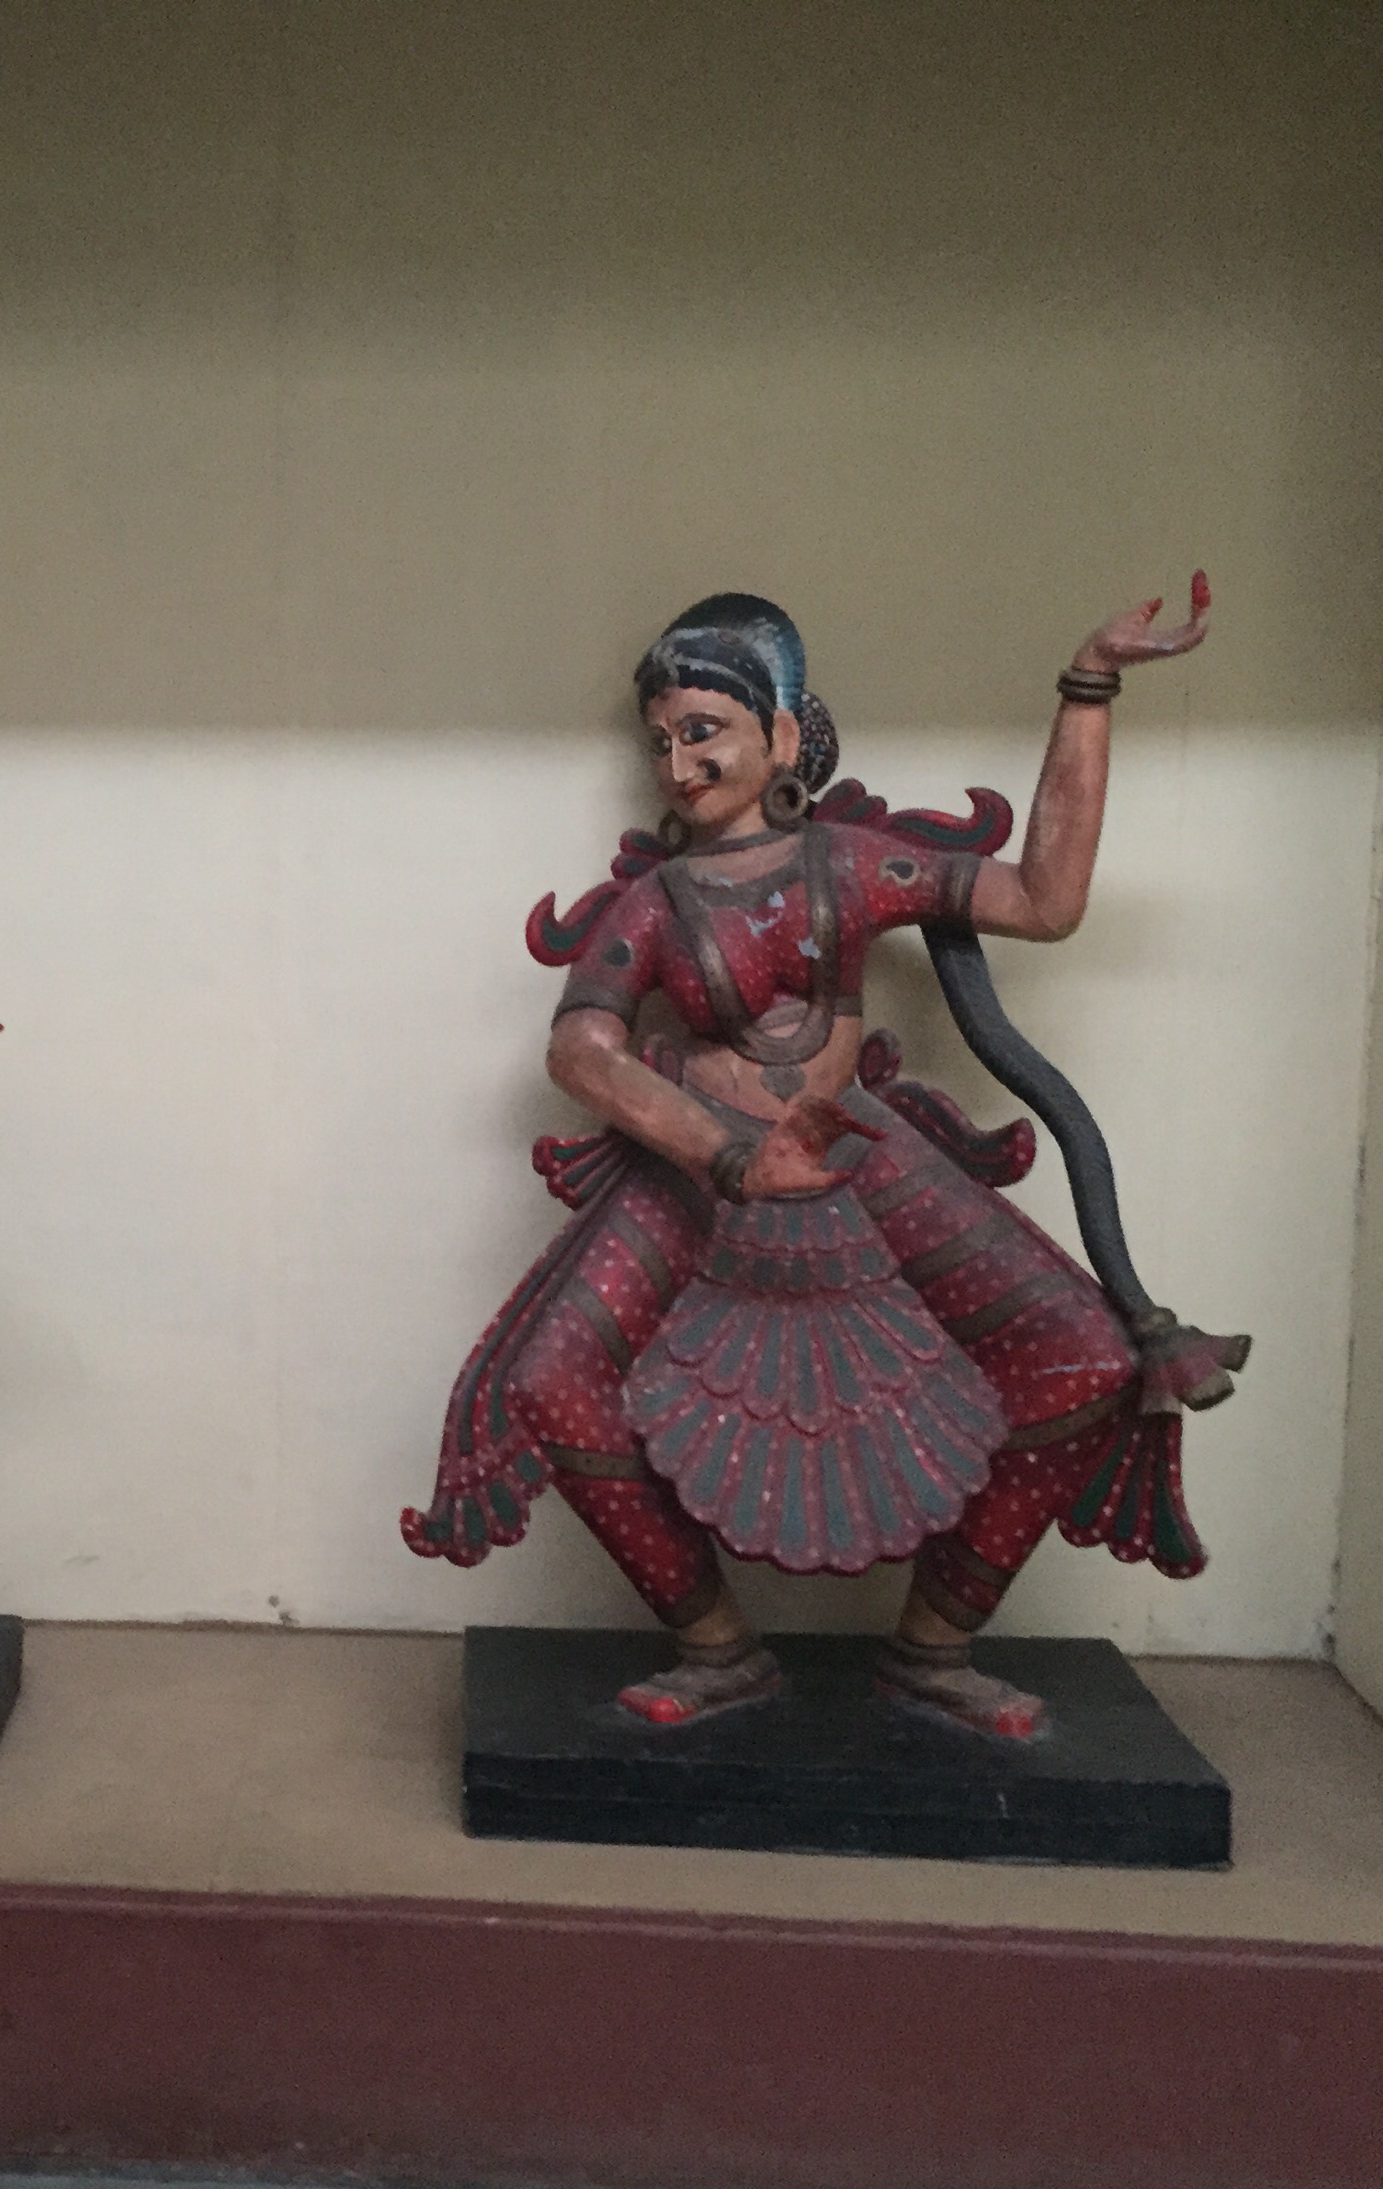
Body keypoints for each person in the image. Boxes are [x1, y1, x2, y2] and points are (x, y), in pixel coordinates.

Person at [408, 588, 1239, 1740]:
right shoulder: (654, 906)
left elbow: (1044, 902)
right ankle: (717, 1646)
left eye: (704, 732)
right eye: (660, 742)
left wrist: (1087, 686)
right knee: (552, 1380)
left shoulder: (850, 866)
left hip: (855, 1150)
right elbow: (581, 1051)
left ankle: (934, 1648)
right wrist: (726, 1151)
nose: (679, 765)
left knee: (1087, 1358)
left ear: (783, 736)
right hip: (702, 1170)